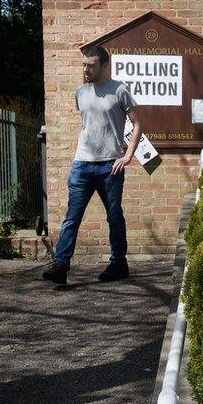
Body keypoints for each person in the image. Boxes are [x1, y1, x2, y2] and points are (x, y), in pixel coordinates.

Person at [42, 45, 141, 285]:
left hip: (110, 166)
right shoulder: (81, 92)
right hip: (82, 165)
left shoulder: (120, 90)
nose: (86, 69)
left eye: (91, 65)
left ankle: (118, 263)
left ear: (104, 65)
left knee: (114, 216)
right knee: (72, 218)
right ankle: (61, 267)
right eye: (84, 65)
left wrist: (127, 156)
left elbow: (137, 124)